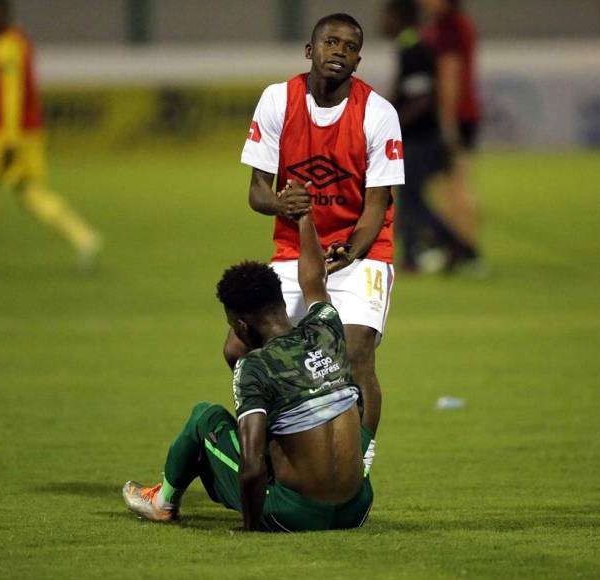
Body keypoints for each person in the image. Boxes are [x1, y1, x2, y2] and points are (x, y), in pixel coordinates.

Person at [123, 212, 375, 532]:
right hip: (357, 508)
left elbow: (252, 463)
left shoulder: (253, 367)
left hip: (294, 513)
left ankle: (162, 503)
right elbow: (314, 280)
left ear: (241, 325)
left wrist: (251, 528)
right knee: (336, 409)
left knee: (205, 416)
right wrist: (304, 218)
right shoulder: (326, 327)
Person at [235, 14, 405, 449]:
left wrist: (350, 251)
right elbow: (257, 191)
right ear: (310, 51)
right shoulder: (278, 101)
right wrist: (280, 203)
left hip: (361, 254)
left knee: (355, 354)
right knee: (240, 349)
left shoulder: (378, 113)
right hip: (294, 251)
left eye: (350, 47)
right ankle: (287, 446)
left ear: (358, 60)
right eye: (331, 42)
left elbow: (377, 205)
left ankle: (358, 465)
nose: (339, 52)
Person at [0, 0, 101, 276]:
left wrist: (10, 140)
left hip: (11, 132)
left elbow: (12, 93)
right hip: (26, 131)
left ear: (1, 13)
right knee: (30, 193)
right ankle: (84, 237)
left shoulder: (8, 46)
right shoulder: (13, 42)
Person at [381, 0, 473, 274]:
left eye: (387, 16)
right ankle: (412, 255)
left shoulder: (413, 49)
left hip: (420, 138)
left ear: (400, 18)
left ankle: (455, 245)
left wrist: (393, 121)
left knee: (411, 197)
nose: (382, 23)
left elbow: (422, 97)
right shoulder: (409, 46)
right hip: (417, 137)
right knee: (408, 197)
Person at [419, 0, 484, 274]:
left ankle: (468, 252)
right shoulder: (453, 24)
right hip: (457, 116)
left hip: (454, 118)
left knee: (454, 187)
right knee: (445, 186)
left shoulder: (450, 27)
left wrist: (446, 124)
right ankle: (457, 249)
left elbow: (450, 74)